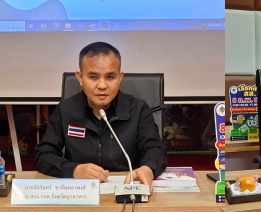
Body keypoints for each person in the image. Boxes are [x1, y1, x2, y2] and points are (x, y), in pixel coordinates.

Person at [35, 42, 167, 189]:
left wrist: (148, 169)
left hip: (128, 191)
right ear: (80, 77)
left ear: (120, 77)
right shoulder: (65, 110)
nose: (102, 85)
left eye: (110, 77)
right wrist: (74, 170)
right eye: (93, 77)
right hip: (80, 193)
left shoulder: (138, 109)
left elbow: (155, 149)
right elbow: (44, 155)